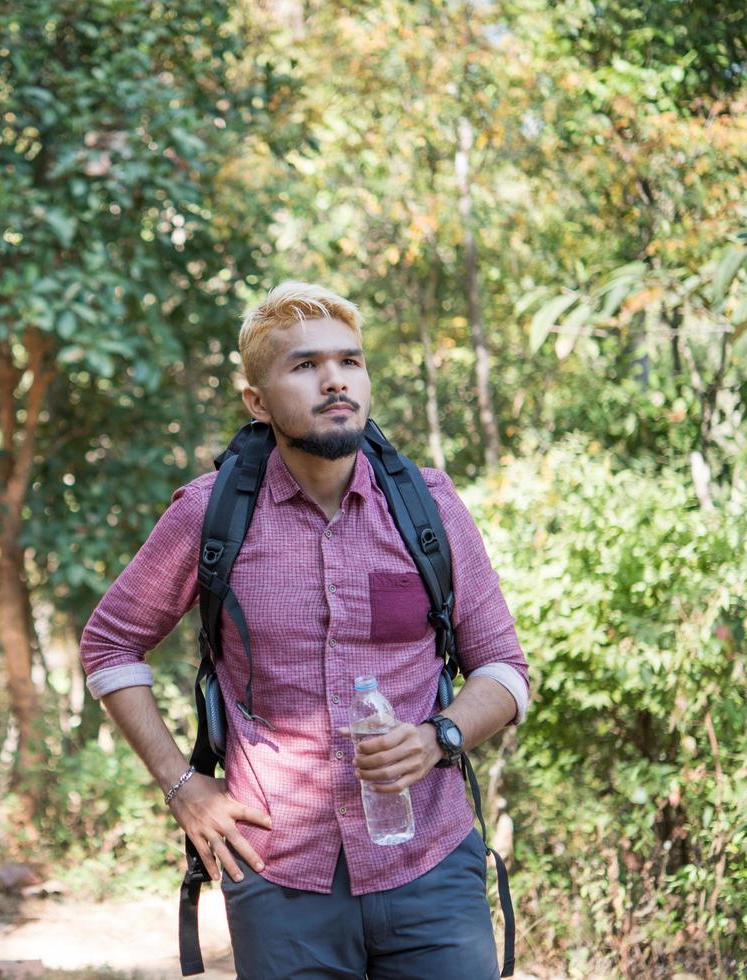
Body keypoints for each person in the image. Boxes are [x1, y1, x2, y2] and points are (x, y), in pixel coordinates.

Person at [79, 281, 530, 979]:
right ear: (256, 402)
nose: (333, 381)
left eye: (349, 361)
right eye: (303, 366)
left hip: (431, 868)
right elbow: (109, 645)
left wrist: (437, 736)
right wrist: (182, 787)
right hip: (277, 876)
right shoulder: (209, 515)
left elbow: (502, 667)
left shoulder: (427, 506)